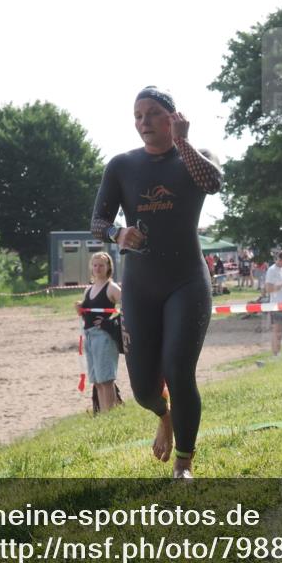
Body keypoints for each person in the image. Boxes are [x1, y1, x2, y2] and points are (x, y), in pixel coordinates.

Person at [90, 86, 222, 479]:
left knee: (179, 371)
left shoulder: (194, 157)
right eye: (137, 115)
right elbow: (97, 221)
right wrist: (117, 234)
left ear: (172, 117)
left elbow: (211, 183)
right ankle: (163, 415)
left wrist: (182, 141)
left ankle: (184, 461)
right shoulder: (121, 165)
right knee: (145, 389)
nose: (143, 122)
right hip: (141, 286)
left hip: (187, 281)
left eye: (151, 114)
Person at [75, 252, 122, 413]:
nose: (97, 268)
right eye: (95, 265)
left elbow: (128, 307)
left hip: (104, 337)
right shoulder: (88, 289)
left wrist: (110, 323)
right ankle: (104, 414)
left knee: (106, 379)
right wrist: (80, 308)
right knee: (97, 380)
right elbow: (84, 312)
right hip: (89, 336)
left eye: (101, 265)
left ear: (109, 267)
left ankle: (110, 415)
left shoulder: (112, 288)